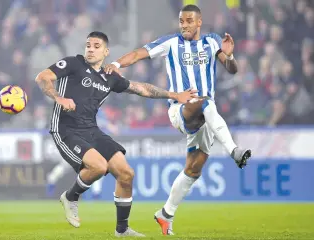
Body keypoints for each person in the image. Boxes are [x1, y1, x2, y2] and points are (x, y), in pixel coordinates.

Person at [104, 5, 252, 235]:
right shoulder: (171, 43)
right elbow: (137, 54)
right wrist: (115, 64)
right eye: (181, 21)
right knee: (204, 102)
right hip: (180, 109)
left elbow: (232, 69)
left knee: (194, 170)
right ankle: (233, 150)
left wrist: (230, 55)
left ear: (199, 22)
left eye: (189, 21)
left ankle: (165, 214)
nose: (183, 25)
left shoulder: (213, 42)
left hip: (206, 117)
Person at [35, 31, 200, 237]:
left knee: (126, 174)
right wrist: (59, 98)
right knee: (98, 167)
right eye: (88, 45)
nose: (91, 49)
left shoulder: (110, 77)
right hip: (66, 129)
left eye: (96, 46)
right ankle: (70, 197)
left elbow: (141, 89)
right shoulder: (73, 63)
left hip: (92, 130)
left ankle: (122, 230)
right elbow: (42, 77)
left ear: (106, 51)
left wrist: (174, 95)